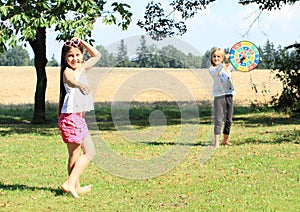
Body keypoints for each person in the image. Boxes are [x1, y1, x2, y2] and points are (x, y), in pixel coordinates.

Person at [58, 37, 101, 198]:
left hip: (78, 119)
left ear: (82, 55)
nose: (74, 59)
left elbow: (97, 55)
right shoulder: (67, 71)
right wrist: (80, 84)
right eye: (70, 56)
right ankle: (70, 184)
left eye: (77, 55)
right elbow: (71, 81)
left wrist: (82, 43)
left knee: (89, 151)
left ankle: (74, 184)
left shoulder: (82, 68)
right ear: (64, 58)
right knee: (77, 154)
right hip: (70, 119)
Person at [209, 48, 235, 148]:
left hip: (229, 95)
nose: (216, 58)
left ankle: (225, 140)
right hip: (218, 97)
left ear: (222, 57)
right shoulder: (212, 69)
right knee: (218, 120)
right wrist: (223, 63)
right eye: (214, 56)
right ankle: (216, 143)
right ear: (211, 58)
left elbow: (238, 64)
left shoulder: (228, 68)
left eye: (218, 56)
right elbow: (217, 70)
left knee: (228, 119)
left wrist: (245, 58)